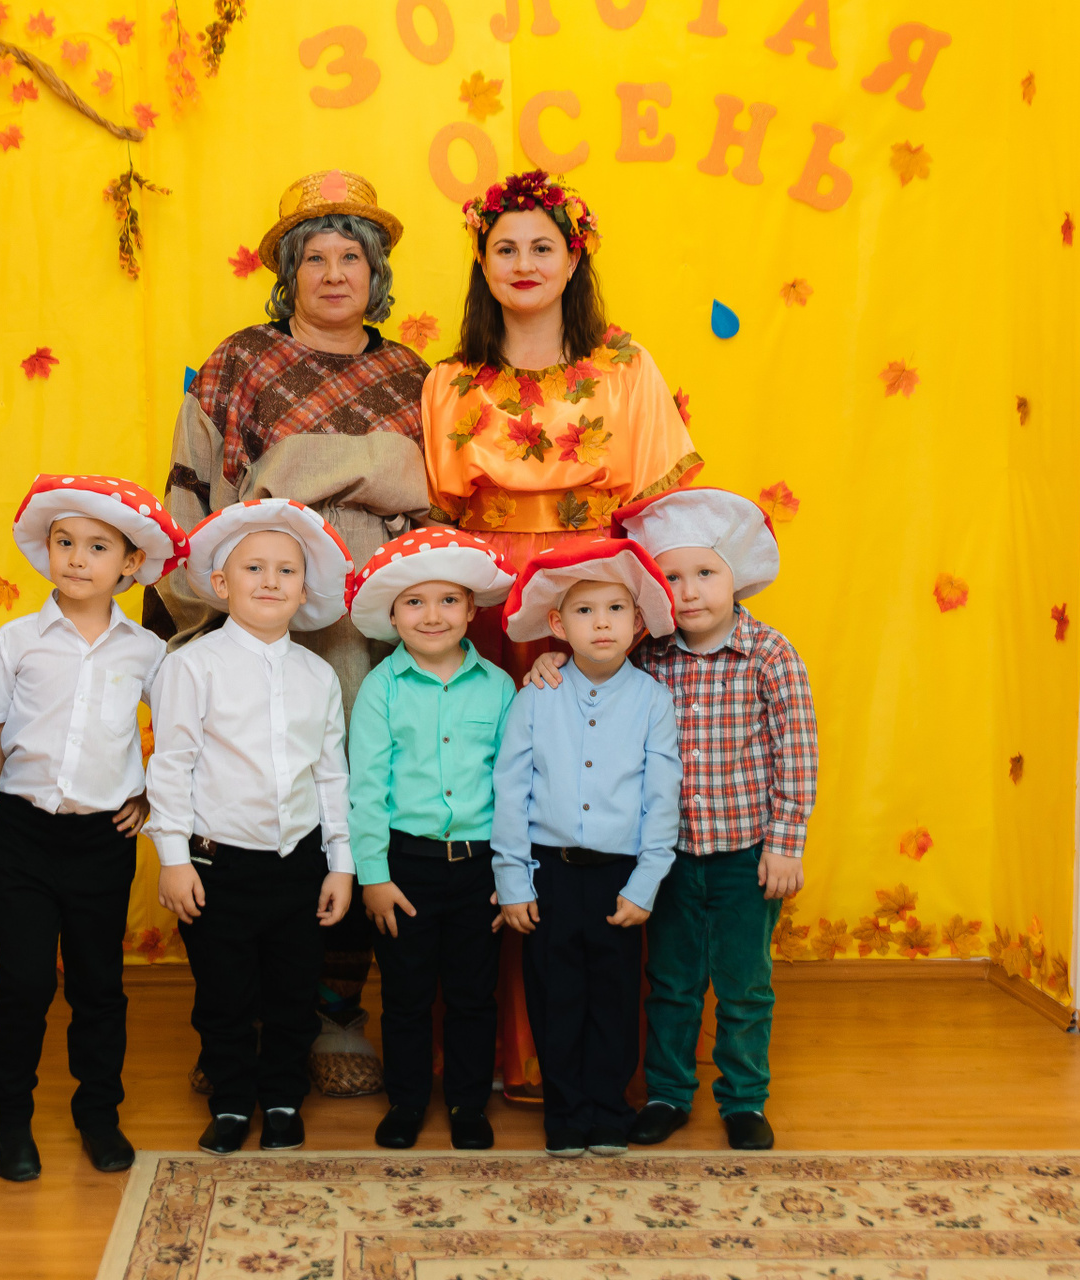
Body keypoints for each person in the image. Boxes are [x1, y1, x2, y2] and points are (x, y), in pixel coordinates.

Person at [150, 170, 432, 1097]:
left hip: (371, 620)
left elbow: (436, 497)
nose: (335, 273)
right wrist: (197, 616)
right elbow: (194, 485)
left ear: (377, 273)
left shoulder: (413, 376)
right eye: (315, 257)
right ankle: (244, 1020)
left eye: (354, 256)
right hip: (259, 603)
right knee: (246, 786)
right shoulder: (238, 361)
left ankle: (335, 1010)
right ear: (288, 274)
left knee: (348, 791)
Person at [421, 168, 701, 1099]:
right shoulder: (449, 381)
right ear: (482, 261)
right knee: (488, 801)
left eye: (544, 246)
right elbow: (437, 520)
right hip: (488, 608)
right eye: (505, 247)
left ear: (575, 258)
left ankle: (592, 1057)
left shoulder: (625, 367)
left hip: (595, 601)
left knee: (597, 802)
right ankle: (487, 1048)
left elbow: (659, 511)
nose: (525, 262)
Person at [0, 475, 188, 1182]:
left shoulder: (147, 652)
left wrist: (147, 799)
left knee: (98, 986)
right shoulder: (15, 641)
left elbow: (176, 740)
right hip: (22, 837)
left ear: (130, 564)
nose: (77, 558)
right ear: (47, 549)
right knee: (24, 984)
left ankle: (99, 1115)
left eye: (97, 547)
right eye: (65, 542)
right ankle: (11, 1120)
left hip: (101, 845)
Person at [144, 498, 357, 1156]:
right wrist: (174, 857)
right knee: (225, 993)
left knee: (293, 991)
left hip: (298, 864)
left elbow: (331, 775)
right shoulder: (191, 665)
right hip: (218, 866)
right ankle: (233, 1100)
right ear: (221, 582)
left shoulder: (318, 675)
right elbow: (171, 765)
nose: (270, 580)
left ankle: (284, 1098)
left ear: (305, 589)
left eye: (286, 570)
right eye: (253, 568)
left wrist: (341, 863)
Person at [613, 487, 817, 1151]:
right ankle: (668, 1093)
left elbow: (796, 754)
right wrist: (555, 664)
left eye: (705, 572)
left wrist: (785, 845)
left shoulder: (770, 656)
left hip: (745, 854)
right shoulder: (647, 656)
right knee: (670, 982)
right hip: (667, 856)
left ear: (736, 576)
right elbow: (599, 696)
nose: (690, 591)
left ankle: (744, 1099)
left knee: (744, 984)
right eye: (672, 577)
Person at [491, 538, 681, 1157]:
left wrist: (646, 883)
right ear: (557, 624)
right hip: (549, 872)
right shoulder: (534, 697)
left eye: (616, 609)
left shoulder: (653, 701)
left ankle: (607, 1108)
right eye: (584, 610)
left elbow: (661, 797)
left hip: (619, 877)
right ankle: (566, 1111)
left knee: (615, 998)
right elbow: (510, 792)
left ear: (638, 621)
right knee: (557, 996)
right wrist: (513, 880)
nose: (602, 623)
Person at [342, 528, 517, 1151]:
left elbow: (514, 785)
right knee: (407, 994)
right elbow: (366, 788)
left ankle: (469, 1103)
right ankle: (408, 1101)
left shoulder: (499, 687)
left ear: (471, 610)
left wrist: (510, 875)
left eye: (448, 600)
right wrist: (373, 876)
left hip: (479, 867)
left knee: (473, 994)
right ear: (392, 616)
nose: (433, 615)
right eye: (414, 602)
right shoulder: (380, 689)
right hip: (405, 866)